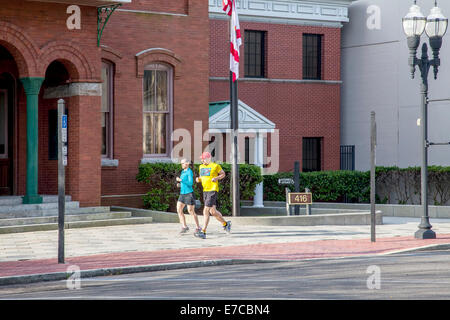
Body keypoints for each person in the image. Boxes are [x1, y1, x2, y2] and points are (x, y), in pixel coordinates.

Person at [195, 152, 231, 239]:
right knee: (213, 212)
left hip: (212, 190)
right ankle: (226, 224)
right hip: (205, 190)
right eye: (201, 159)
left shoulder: (215, 166)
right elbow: (202, 176)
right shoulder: (201, 166)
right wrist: (198, 179)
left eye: (203, 158)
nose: (202, 160)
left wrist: (216, 178)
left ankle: (203, 231)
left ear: (208, 158)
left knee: (206, 210)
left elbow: (223, 174)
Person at [176, 158, 201, 235]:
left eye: (183, 163)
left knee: (191, 211)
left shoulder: (189, 172)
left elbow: (190, 183)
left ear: (187, 164)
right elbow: (183, 183)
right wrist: (179, 184)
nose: (181, 165)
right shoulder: (183, 172)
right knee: (179, 209)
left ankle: (198, 227)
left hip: (189, 194)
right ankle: (184, 226)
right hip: (182, 193)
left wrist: (181, 180)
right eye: (181, 163)